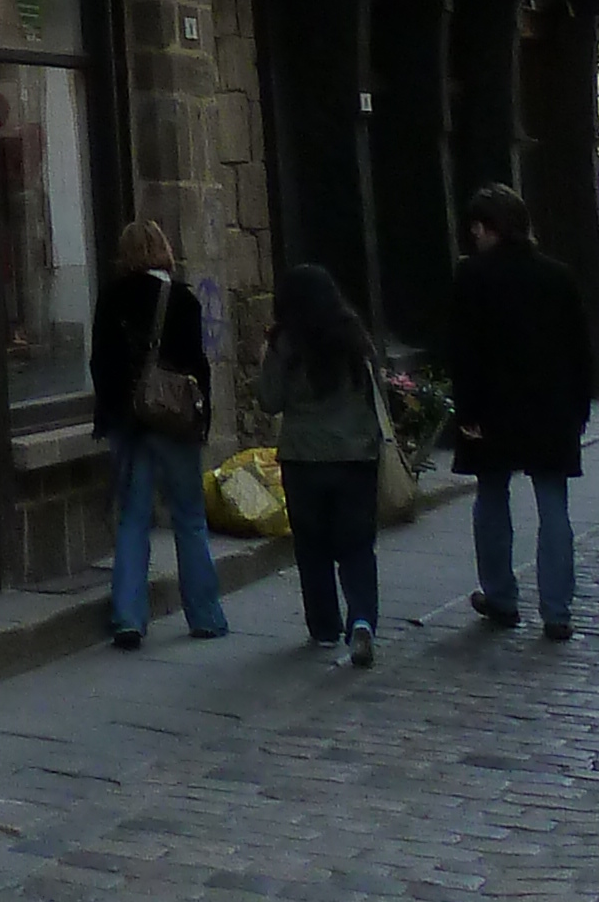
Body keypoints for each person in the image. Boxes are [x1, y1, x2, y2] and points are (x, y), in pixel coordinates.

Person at [447, 180, 592, 640]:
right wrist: (578, 407)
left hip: (492, 410)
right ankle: (557, 609)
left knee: (491, 499)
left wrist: (465, 412)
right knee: (553, 506)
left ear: (487, 228)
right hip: (551, 409)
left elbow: (464, 351)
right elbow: (579, 350)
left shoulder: (473, 277)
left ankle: (502, 596)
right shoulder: (558, 276)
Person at [89, 217, 228, 647]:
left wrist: (115, 411)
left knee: (132, 519)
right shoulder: (181, 299)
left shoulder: (112, 298)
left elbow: (100, 363)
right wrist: (200, 419)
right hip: (173, 423)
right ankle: (204, 615)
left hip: (130, 424)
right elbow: (196, 366)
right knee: (189, 519)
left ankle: (129, 616)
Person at [256, 263, 384, 665]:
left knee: (311, 548)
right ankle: (361, 618)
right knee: (357, 545)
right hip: (355, 455)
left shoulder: (286, 343)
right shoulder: (354, 337)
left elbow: (269, 400)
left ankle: (325, 626)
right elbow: (374, 391)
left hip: (304, 458)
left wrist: (269, 356)